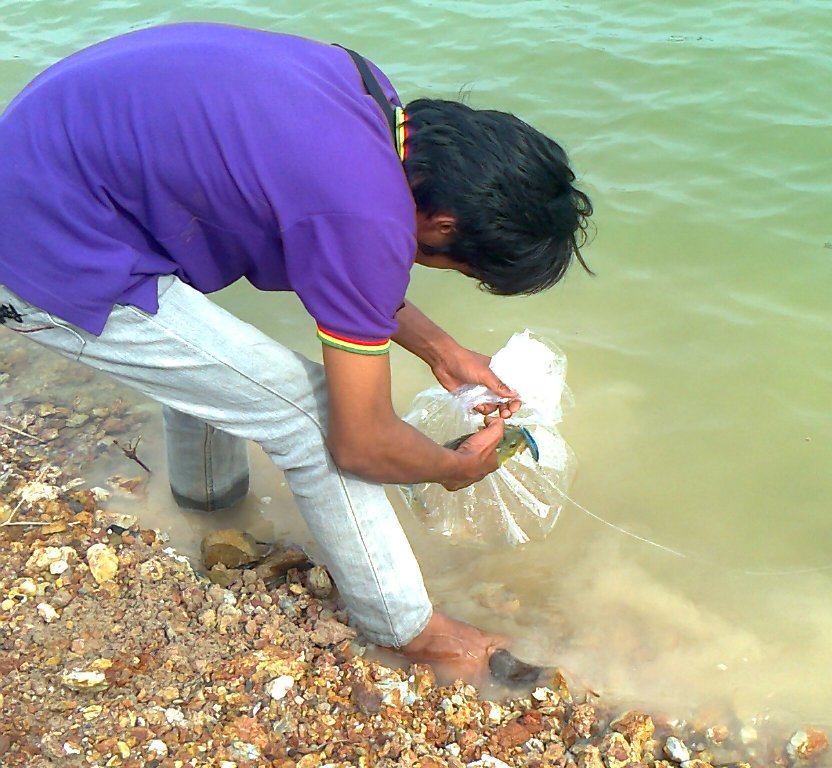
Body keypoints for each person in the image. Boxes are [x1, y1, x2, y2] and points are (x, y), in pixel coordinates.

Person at [0, 22, 592, 679]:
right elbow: (359, 443)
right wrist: (449, 470)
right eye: (450, 262)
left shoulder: (368, 99)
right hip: (45, 248)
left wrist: (440, 350)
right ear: (445, 225)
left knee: (223, 363)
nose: (418, 261)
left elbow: (336, 250)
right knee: (307, 414)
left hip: (45, 166)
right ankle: (407, 631)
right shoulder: (364, 213)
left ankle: (209, 510)